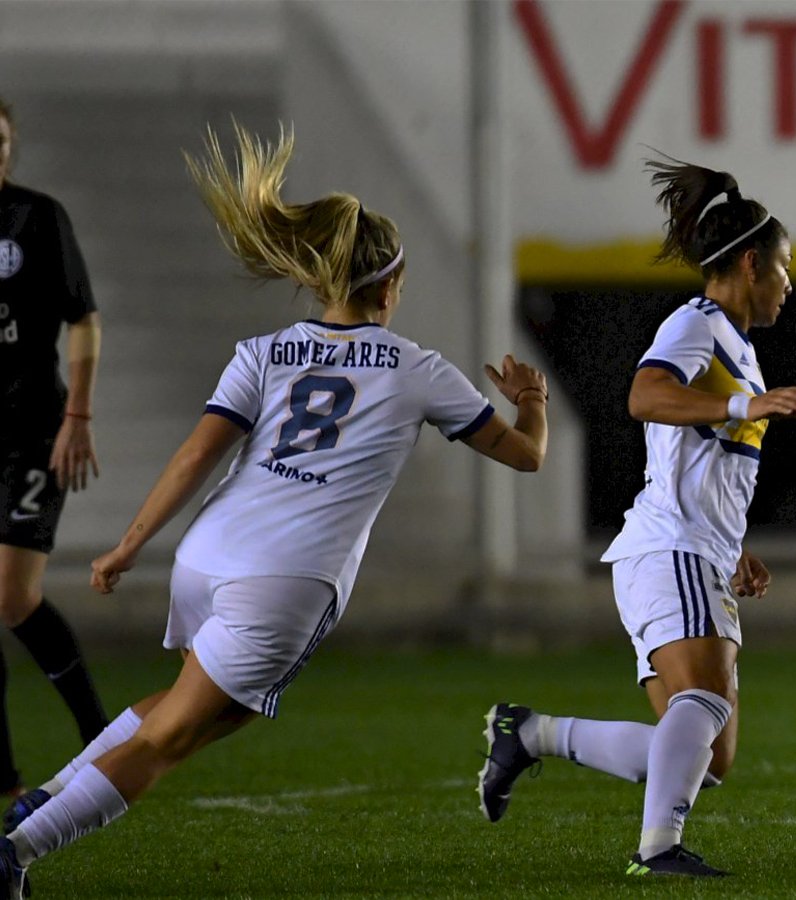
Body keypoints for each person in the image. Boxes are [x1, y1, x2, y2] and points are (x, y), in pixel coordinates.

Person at [0, 123, 550, 897]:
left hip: (209, 554)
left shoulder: (267, 351)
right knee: (166, 741)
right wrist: (534, 402)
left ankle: (42, 799)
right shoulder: (418, 369)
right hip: (285, 579)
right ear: (390, 287)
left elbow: (198, 454)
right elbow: (528, 455)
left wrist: (130, 544)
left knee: (212, 713)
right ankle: (19, 849)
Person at [475, 155, 796, 878]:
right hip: (672, 550)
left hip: (694, 552)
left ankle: (531, 735)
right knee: (703, 703)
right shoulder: (698, 323)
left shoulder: (740, 350)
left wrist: (738, 544)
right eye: (784, 266)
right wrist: (739, 406)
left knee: (708, 755)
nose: (791, 281)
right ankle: (657, 851)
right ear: (751, 262)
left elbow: (700, 457)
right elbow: (645, 396)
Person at [0, 95, 111, 828]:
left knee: (11, 599)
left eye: (1, 141)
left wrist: (77, 415)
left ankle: (99, 735)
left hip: (32, 428)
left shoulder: (37, 218)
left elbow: (83, 318)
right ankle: (5, 780)